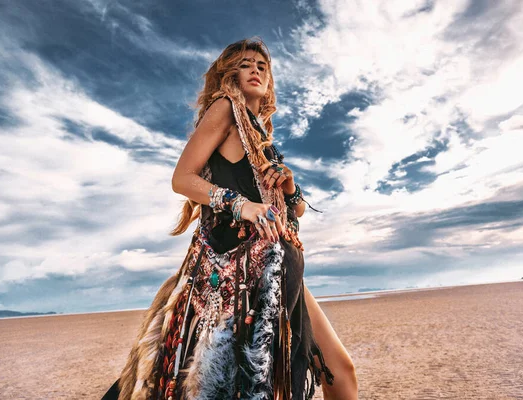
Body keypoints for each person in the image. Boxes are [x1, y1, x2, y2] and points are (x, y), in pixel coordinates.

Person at [103, 38, 357, 400]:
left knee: (340, 372)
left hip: (277, 274)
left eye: (262, 66)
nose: (255, 69)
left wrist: (289, 184)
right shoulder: (225, 109)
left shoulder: (261, 135)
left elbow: (295, 211)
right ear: (229, 74)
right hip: (230, 278)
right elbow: (182, 179)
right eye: (245, 63)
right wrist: (242, 205)